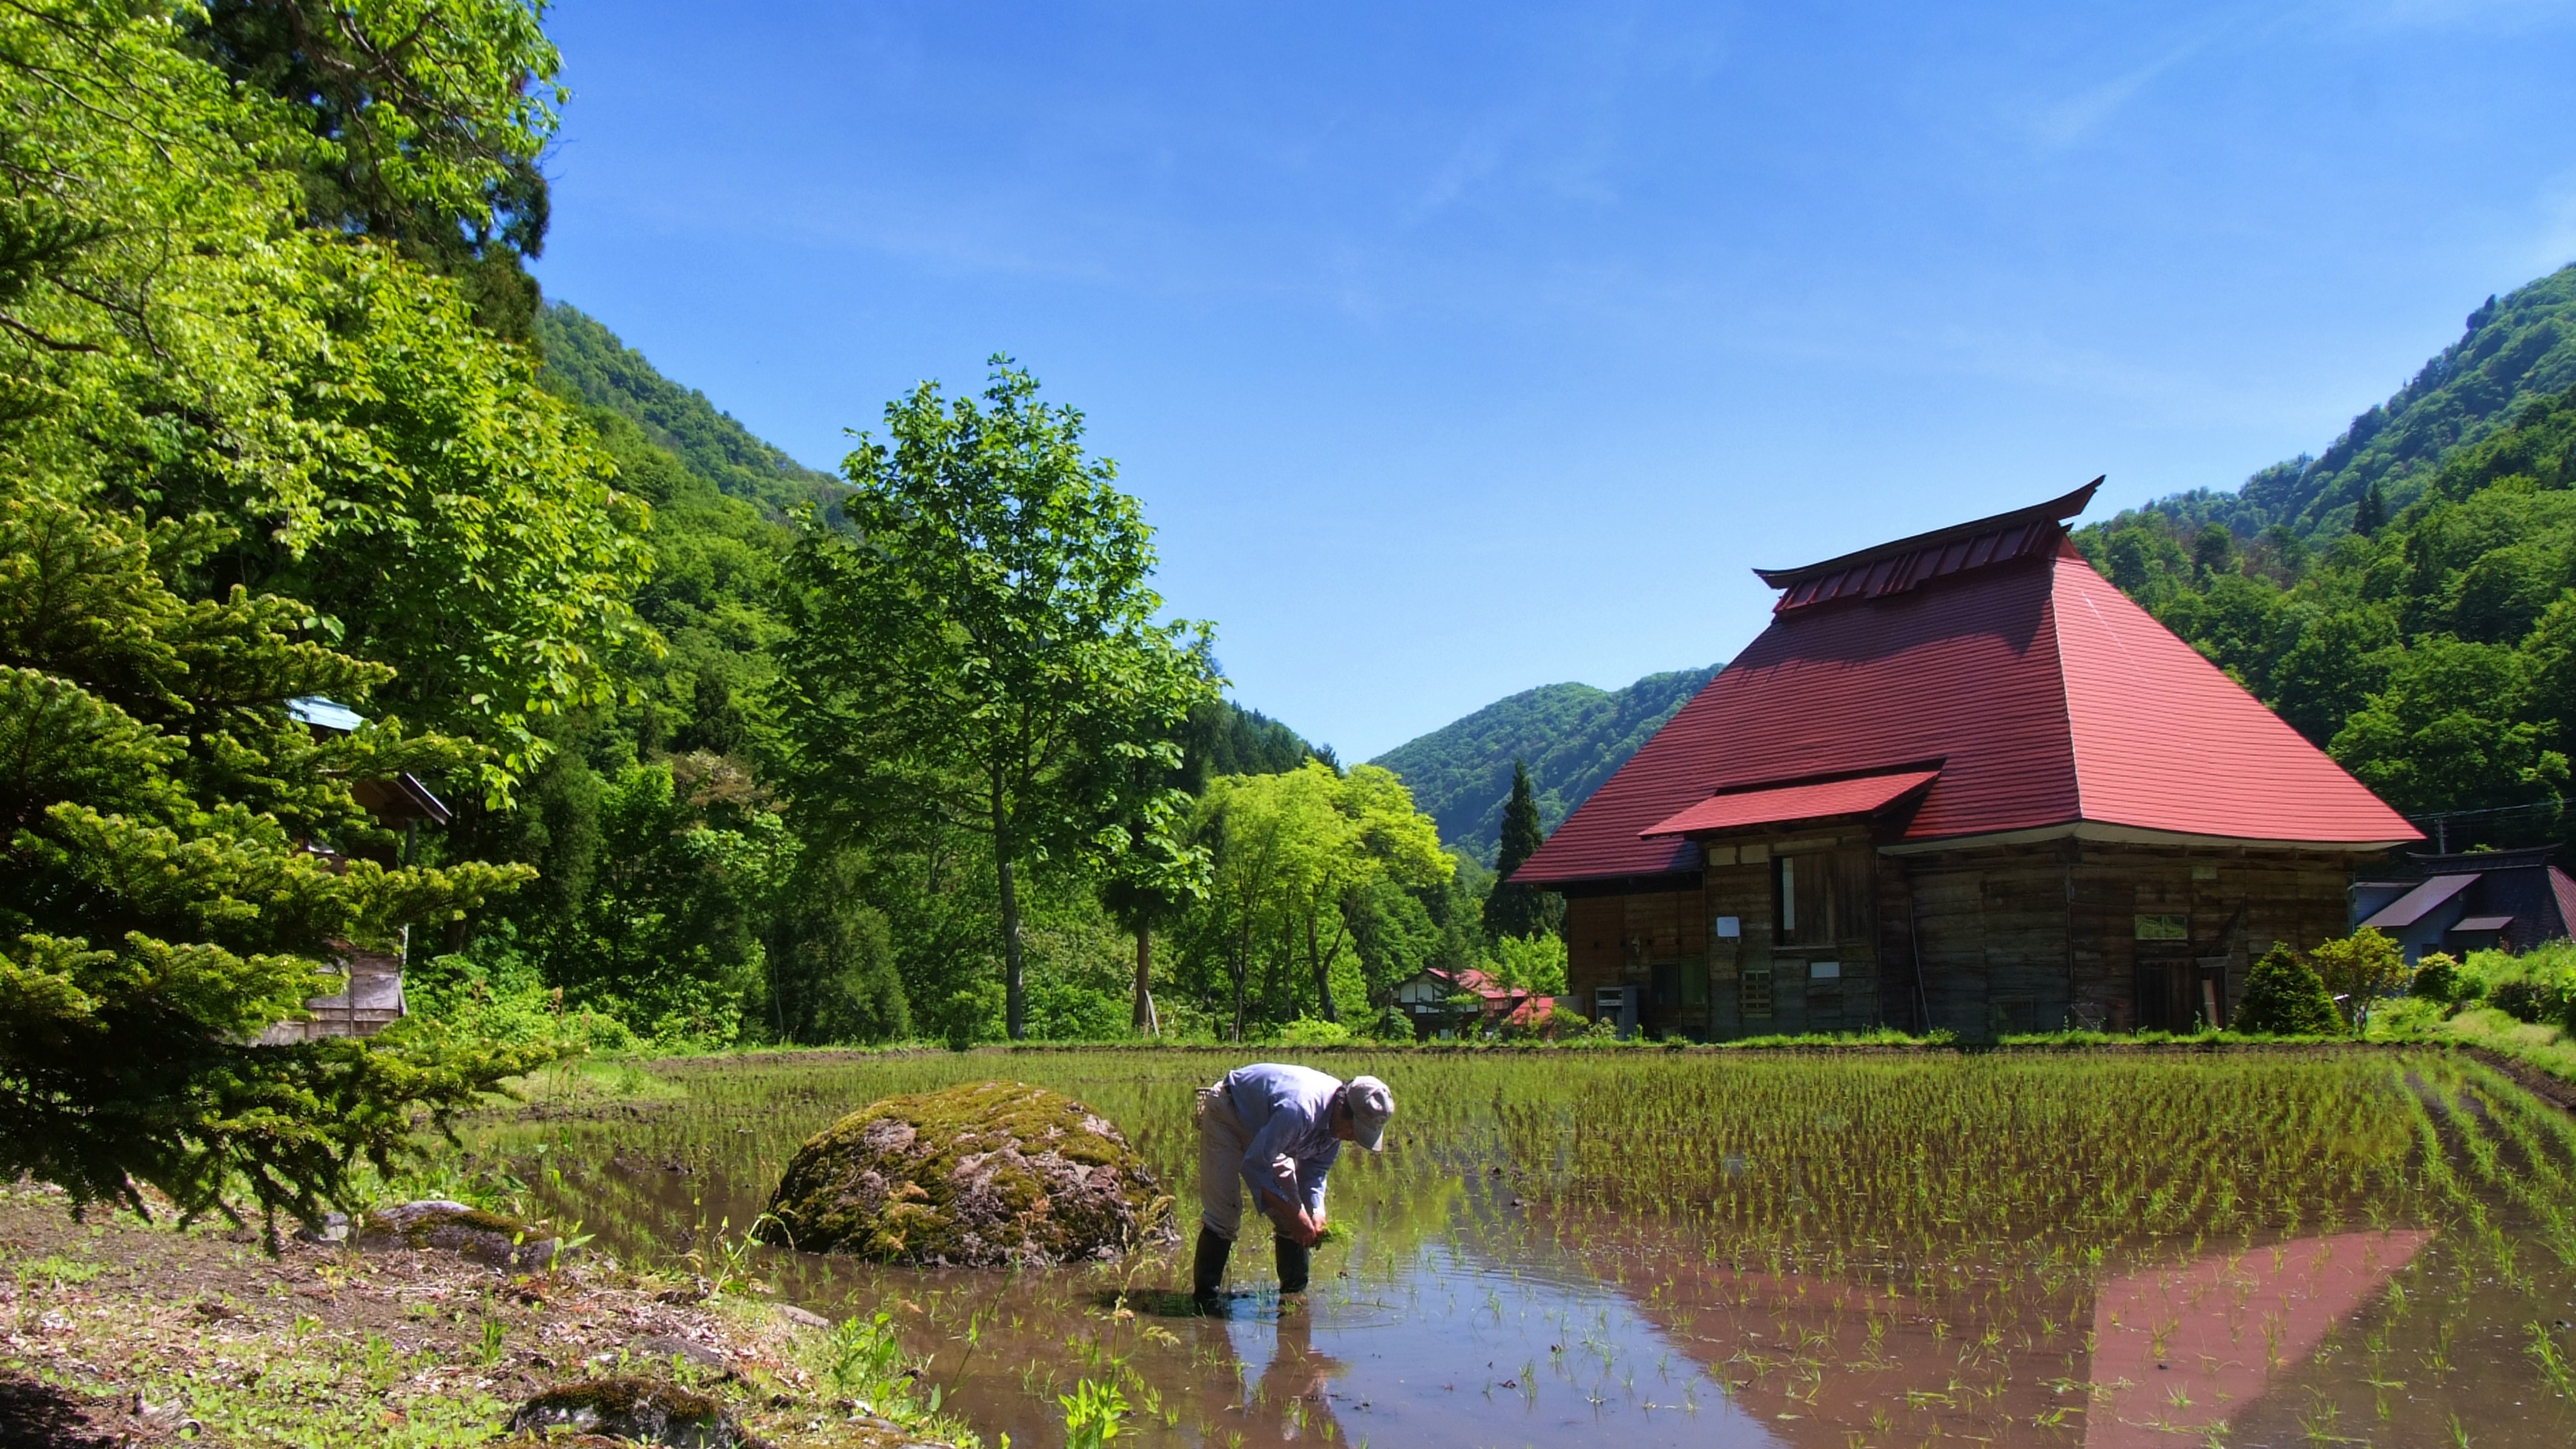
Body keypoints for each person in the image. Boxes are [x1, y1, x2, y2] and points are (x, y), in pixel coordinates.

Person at [1191, 1063, 1393, 1303]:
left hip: (1271, 1130)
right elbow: (1255, 1166)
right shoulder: (1299, 1110)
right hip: (1228, 1112)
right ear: (1343, 1108)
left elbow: (1315, 1171)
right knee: (1225, 1214)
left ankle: (1294, 1297)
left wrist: (1316, 1212)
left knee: (1295, 1219)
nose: (1353, 1138)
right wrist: (1295, 1214)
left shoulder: (1336, 1130)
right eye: (1354, 1130)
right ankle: (1206, 1302)